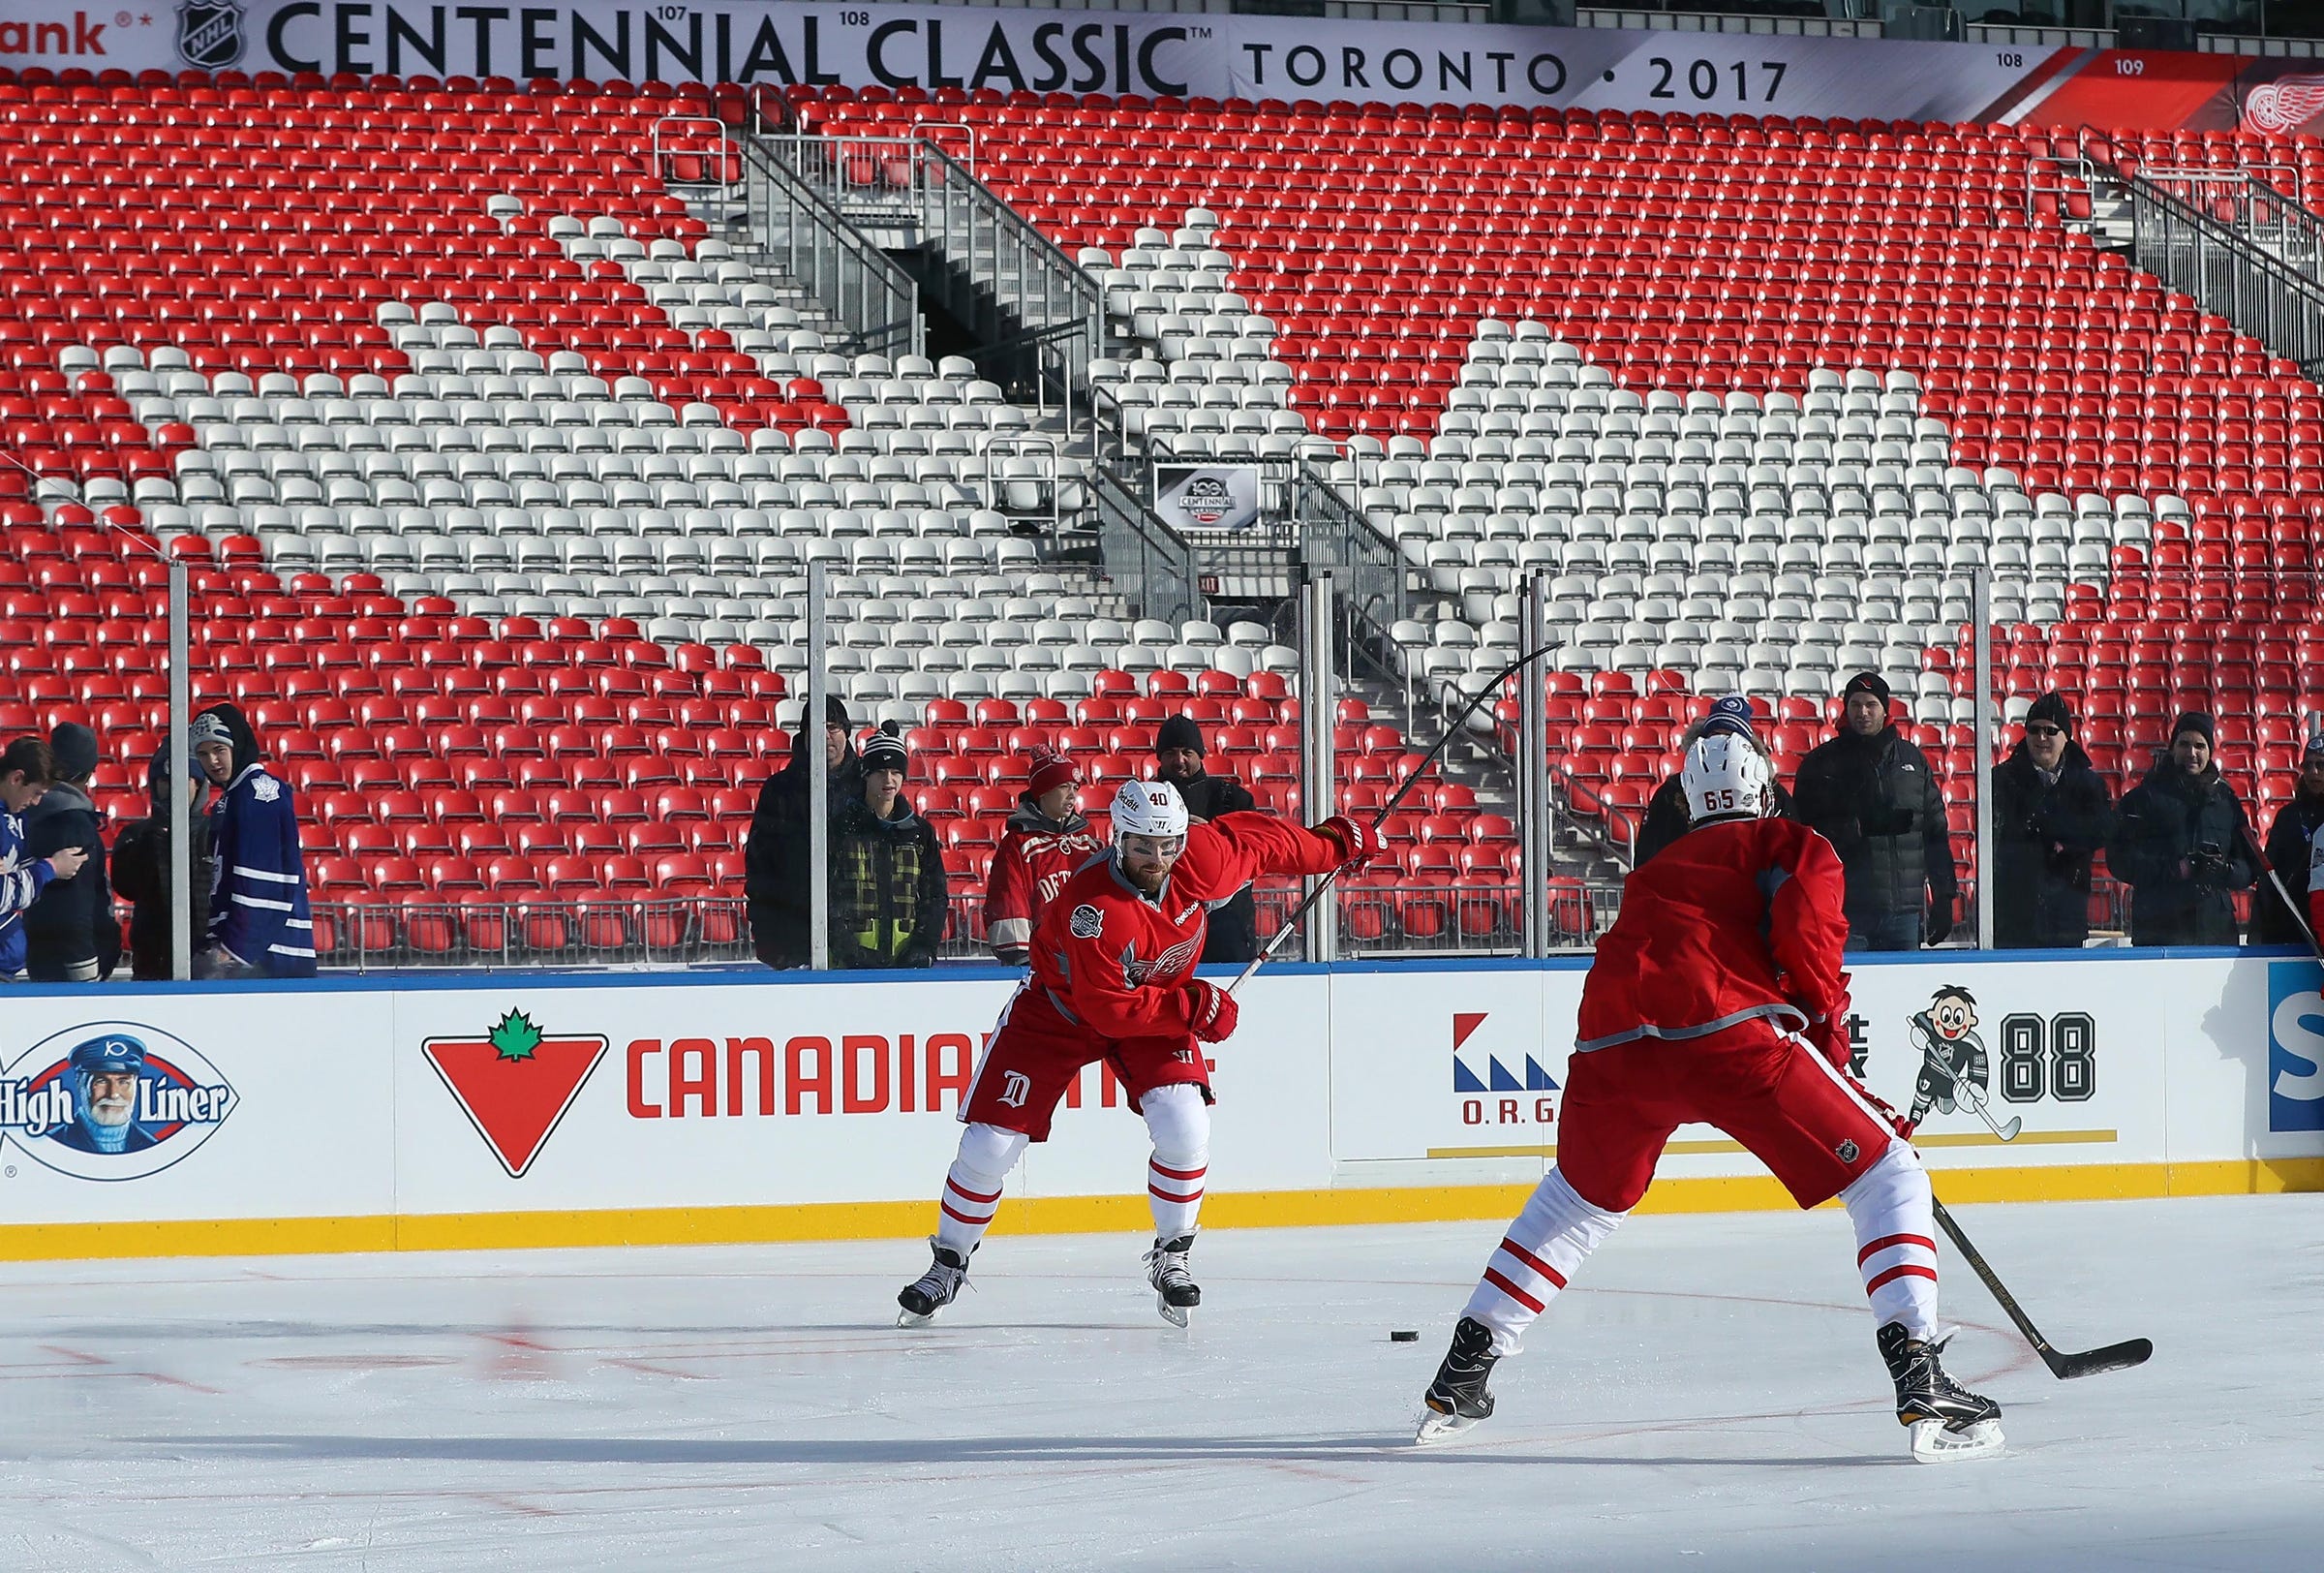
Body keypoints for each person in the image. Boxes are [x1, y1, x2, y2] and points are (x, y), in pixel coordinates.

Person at [1414, 734, 2003, 1463]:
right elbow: (1811, 945)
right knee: (1889, 1172)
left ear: (1688, 803)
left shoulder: (1657, 867)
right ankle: (1919, 1371)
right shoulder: (1791, 842)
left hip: (1610, 1041)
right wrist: (1834, 1052)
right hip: (1724, 1033)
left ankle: (1464, 1368)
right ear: (1766, 791)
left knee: (1577, 1201)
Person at [895, 780, 1377, 1328]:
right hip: (1060, 1012)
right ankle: (949, 1263)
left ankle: (1173, 1254)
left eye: (1168, 845)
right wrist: (1197, 1005)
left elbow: (1263, 842)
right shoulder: (1091, 908)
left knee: (1185, 1124)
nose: (1159, 858)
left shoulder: (1201, 856)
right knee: (990, 1144)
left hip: (1157, 1007)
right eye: (1144, 845)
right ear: (1119, 838)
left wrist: (1338, 842)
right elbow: (1110, 1011)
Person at [1791, 671, 1960, 951]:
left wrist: (1944, 896)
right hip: (1846, 910)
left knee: (1905, 993)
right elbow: (1805, 833)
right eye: (1856, 704)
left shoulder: (1913, 761)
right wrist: (1856, 828)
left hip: (1904, 912)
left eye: (1871, 705)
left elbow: (1934, 832)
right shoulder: (1821, 764)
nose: (1863, 712)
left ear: (1885, 709)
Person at [2108, 712, 2256, 947]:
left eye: (2200, 745)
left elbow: (2250, 866)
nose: (2192, 753)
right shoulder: (2141, 799)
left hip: (2215, 932)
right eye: (2184, 744)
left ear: (2210, 751)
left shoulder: (2227, 802)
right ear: (2173, 748)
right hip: (2158, 930)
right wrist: (2175, 869)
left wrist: (2224, 870)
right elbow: (2119, 860)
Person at [192, 705, 317, 977]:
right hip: (252, 952)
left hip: (268, 955)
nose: (212, 761)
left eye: (219, 750)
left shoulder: (260, 792)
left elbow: (266, 882)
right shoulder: (235, 795)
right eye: (203, 754)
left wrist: (235, 950)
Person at [1990, 694, 2115, 950]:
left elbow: (2102, 830)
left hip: (2066, 915)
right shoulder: (2000, 780)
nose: (2041, 738)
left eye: (2050, 730)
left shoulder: (2090, 785)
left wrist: (2063, 839)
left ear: (2066, 736)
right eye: (2034, 730)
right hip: (2015, 917)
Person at [747, 695, 862, 969]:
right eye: (816, 727)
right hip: (793, 938)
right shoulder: (779, 790)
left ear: (846, 731)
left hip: (859, 937)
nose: (825, 736)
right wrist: (767, 934)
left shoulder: (867, 785)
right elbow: (759, 866)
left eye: (832, 727)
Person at [828, 728, 948, 970]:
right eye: (880, 772)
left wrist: (923, 946)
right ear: (866, 775)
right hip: (847, 967)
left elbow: (934, 895)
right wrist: (848, 950)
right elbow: (825, 895)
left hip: (906, 962)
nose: (888, 780)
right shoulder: (840, 828)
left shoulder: (919, 832)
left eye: (896, 772)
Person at [1636, 695, 1795, 865]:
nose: (1721, 745)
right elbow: (1649, 853)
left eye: (1730, 738)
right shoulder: (1673, 789)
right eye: (1715, 736)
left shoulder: (1773, 792)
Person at [1152, 714, 1260, 963]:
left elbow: (1255, 855)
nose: (1179, 760)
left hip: (1228, 925)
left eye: (1186, 752)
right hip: (1164, 924)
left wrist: (1213, 839)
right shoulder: (1145, 800)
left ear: (1200, 754)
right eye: (1170, 753)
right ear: (1159, 757)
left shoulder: (1234, 799)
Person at [984, 749, 1106, 966]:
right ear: (1043, 791)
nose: (1072, 795)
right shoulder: (1019, 842)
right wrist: (1019, 953)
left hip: (1088, 958)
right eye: (1063, 787)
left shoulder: (1088, 843)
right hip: (1040, 962)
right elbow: (1009, 897)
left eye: (1075, 788)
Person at [21, 723, 120, 982]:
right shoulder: (73, 823)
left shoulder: (37, 813)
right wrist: (84, 968)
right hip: (72, 965)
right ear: (89, 771)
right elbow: (74, 904)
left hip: (44, 954)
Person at [109, 741, 215, 980]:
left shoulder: (217, 832)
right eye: (166, 781)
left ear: (198, 784)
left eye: (183, 779)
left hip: (208, 958)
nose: (173, 788)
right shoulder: (136, 835)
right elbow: (126, 886)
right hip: (152, 959)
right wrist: (151, 841)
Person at [1, 736, 91, 984]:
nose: (37, 802)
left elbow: (11, 882)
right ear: (16, 778)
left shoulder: (16, 819)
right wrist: (50, 869)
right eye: (36, 792)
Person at [2256, 735, 2324, 947]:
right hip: (2290, 926)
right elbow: (2269, 875)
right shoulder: (2288, 816)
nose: (2313, 772)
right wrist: (2259, 930)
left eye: (2321, 765)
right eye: (2308, 765)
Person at [51, 1034, 160, 1156]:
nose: (113, 1094)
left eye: (123, 1082)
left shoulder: (153, 1146)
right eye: (101, 1081)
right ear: (80, 1083)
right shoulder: (52, 1143)